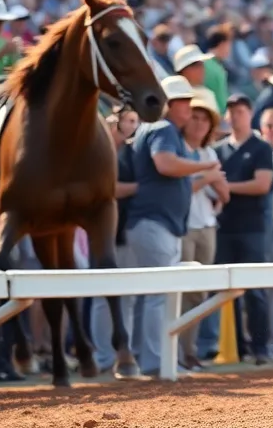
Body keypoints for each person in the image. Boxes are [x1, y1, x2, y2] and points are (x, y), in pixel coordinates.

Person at [125, 75, 220, 375]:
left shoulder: (161, 129)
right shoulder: (164, 128)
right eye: (184, 101)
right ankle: (157, 363)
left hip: (155, 223)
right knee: (158, 296)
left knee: (152, 296)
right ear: (170, 104)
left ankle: (150, 358)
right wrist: (205, 165)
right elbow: (165, 164)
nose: (189, 108)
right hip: (155, 223)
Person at [212, 92, 273, 364]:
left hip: (252, 227)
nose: (235, 116)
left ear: (250, 114)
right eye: (232, 111)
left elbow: (262, 184)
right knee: (227, 292)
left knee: (254, 290)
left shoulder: (261, 148)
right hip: (224, 227)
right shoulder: (218, 149)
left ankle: (260, 346)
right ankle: (235, 347)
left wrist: (227, 187)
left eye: (240, 111)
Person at [90, 106, 140, 374]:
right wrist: (140, 188)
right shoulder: (98, 150)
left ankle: (124, 351)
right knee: (102, 297)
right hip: (101, 232)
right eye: (128, 120)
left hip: (126, 229)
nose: (133, 125)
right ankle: (103, 358)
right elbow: (106, 189)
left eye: (135, 121)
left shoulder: (133, 152)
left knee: (127, 297)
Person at [179, 92, 227, 370]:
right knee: (183, 293)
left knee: (198, 294)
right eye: (194, 117)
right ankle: (179, 352)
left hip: (207, 225)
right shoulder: (178, 150)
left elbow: (224, 193)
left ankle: (189, 350)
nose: (199, 124)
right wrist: (207, 178)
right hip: (185, 227)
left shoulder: (209, 153)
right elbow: (180, 194)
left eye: (204, 119)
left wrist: (214, 182)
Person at [173, 44, 220, 112]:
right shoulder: (177, 96)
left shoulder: (208, 94)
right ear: (184, 70)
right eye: (197, 66)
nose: (202, 70)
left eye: (202, 65)